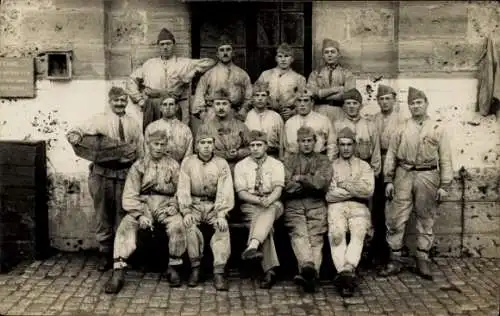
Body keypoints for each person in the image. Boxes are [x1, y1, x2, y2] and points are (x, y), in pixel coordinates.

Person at [66, 87, 143, 272]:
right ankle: (105, 253)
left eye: (123, 100)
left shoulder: (133, 123)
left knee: (122, 215)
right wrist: (75, 135)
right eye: (116, 100)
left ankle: (122, 253)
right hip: (102, 174)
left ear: (127, 102)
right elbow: (77, 130)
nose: (120, 103)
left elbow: (140, 148)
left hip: (124, 174)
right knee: (102, 214)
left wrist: (137, 166)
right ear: (110, 102)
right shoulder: (99, 119)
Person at [380, 87, 452, 280]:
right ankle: (394, 259)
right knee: (396, 217)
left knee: (426, 217)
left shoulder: (438, 128)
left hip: (428, 175)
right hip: (403, 174)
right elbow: (392, 155)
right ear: (409, 106)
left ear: (426, 104)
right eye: (412, 103)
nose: (415, 106)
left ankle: (422, 258)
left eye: (419, 102)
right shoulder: (401, 128)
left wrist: (444, 185)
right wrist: (388, 180)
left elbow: (445, 158)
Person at [103, 130, 186, 294]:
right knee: (125, 227)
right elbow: (129, 194)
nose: (159, 148)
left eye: (163, 144)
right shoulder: (138, 166)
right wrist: (139, 214)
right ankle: (118, 272)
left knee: (177, 226)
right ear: (148, 145)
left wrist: (175, 205)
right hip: (143, 204)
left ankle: (173, 267)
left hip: (165, 204)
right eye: (156, 144)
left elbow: (182, 190)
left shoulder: (174, 165)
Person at [177, 130, 234, 291]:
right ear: (197, 145)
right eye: (203, 143)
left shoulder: (221, 163)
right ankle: (195, 267)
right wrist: (186, 211)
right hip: (194, 204)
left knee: (222, 229)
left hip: (213, 205)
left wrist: (222, 213)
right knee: (189, 226)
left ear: (213, 144)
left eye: (209, 142)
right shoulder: (188, 163)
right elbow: (183, 188)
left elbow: (225, 189)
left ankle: (219, 271)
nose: (206, 146)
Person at [127, 28, 215, 130]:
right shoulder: (149, 64)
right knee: (154, 135)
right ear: (158, 46)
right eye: (162, 44)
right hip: (154, 106)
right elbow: (131, 80)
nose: (165, 47)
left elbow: (210, 62)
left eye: (168, 44)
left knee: (177, 135)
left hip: (176, 105)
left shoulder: (183, 63)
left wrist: (189, 75)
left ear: (173, 45)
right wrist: (139, 100)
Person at [325, 127, 375, 297]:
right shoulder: (331, 165)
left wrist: (344, 186)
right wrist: (354, 187)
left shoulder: (364, 166)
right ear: (338, 146)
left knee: (358, 232)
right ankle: (345, 273)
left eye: (349, 144)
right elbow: (329, 195)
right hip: (336, 206)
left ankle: (348, 268)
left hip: (358, 206)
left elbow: (368, 191)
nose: (345, 148)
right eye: (342, 144)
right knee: (336, 234)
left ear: (355, 145)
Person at [283, 126, 332, 292]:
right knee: (299, 233)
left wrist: (301, 178)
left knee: (316, 237)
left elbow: (321, 184)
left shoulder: (323, 160)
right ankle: (309, 269)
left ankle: (308, 273)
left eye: (309, 141)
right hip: (294, 204)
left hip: (317, 203)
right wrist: (310, 183)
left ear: (315, 142)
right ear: (298, 143)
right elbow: (286, 186)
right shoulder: (290, 160)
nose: (306, 144)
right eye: (303, 141)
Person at [234, 130, 285, 289]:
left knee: (267, 212)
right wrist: (258, 200)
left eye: (259, 145)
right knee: (266, 227)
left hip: (273, 203)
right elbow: (242, 193)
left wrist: (268, 200)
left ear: (266, 146)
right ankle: (269, 271)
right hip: (250, 204)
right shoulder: (241, 165)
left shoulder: (276, 164)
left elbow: (278, 188)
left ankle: (252, 246)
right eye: (252, 145)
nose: (255, 148)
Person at [371, 84, 406, 265]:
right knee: (376, 207)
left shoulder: (402, 120)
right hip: (377, 163)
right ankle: (376, 248)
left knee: (393, 207)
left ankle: (393, 249)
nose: (384, 102)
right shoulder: (373, 119)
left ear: (394, 99)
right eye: (381, 99)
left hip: (396, 165)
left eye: (387, 98)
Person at [192, 35, 253, 126]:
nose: (225, 53)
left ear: (233, 53)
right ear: (217, 54)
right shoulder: (209, 74)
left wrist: (243, 111)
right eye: (222, 50)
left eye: (228, 49)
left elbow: (249, 96)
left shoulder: (242, 74)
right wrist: (204, 116)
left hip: (235, 114)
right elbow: (199, 96)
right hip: (212, 114)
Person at [196, 88, 251, 171]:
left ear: (230, 106)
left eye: (224, 104)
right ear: (213, 106)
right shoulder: (204, 128)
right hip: (213, 168)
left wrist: (238, 153)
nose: (221, 107)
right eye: (218, 104)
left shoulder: (241, 126)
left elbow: (251, 147)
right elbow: (198, 149)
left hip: (237, 169)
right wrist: (224, 154)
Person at [333, 88, 381, 176]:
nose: (351, 106)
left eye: (355, 103)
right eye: (348, 103)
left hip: (365, 170)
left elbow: (376, 152)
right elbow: (333, 151)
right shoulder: (337, 125)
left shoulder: (370, 125)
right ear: (343, 106)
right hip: (343, 170)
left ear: (361, 106)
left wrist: (374, 173)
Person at [307, 38, 356, 125]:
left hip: (339, 110)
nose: (329, 55)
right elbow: (312, 93)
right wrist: (334, 90)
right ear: (323, 55)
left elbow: (349, 95)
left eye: (333, 52)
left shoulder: (347, 74)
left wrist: (321, 94)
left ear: (338, 54)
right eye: (326, 52)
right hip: (319, 110)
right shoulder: (315, 73)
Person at [255, 43, 306, 121]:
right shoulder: (266, 75)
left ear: (292, 59)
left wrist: (293, 111)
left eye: (286, 56)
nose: (283, 59)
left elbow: (304, 99)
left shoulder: (299, 78)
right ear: (276, 58)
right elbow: (255, 94)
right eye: (280, 56)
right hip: (268, 114)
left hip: (288, 115)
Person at [284, 88, 336, 161]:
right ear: (295, 103)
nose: (302, 104)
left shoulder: (323, 120)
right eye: (299, 101)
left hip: (318, 162)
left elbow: (332, 145)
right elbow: (287, 149)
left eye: (306, 100)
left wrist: (328, 164)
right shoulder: (289, 123)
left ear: (312, 102)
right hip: (296, 163)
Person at [144, 94, 193, 163]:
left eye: (171, 104)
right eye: (165, 104)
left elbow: (188, 155)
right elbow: (147, 152)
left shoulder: (185, 129)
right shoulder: (152, 127)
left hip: (179, 168)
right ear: (160, 108)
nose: (168, 107)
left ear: (176, 107)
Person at [244, 81, 284, 158]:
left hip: (272, 156)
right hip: (252, 157)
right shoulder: (247, 117)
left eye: (263, 95)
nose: (260, 98)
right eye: (257, 95)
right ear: (252, 98)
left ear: (268, 98)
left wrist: (281, 159)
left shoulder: (276, 117)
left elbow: (282, 143)